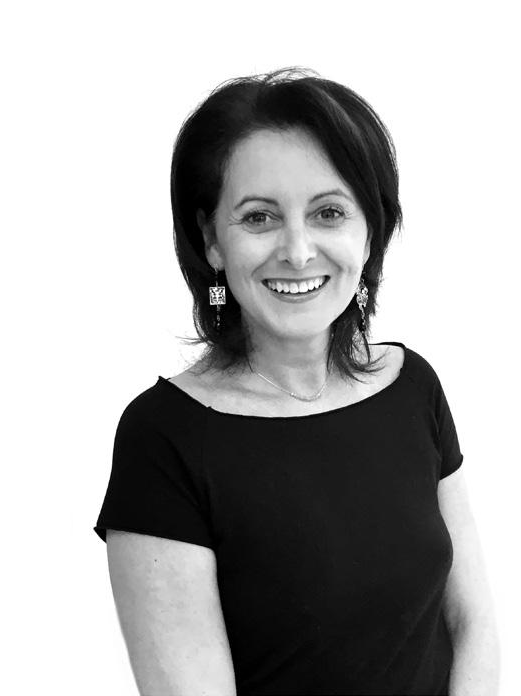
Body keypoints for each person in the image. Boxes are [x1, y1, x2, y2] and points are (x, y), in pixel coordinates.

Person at [93, 67, 499, 695]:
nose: (299, 251)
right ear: (211, 240)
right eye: (259, 218)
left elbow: (472, 624)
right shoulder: (164, 438)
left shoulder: (413, 386)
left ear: (370, 230)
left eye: (329, 212)